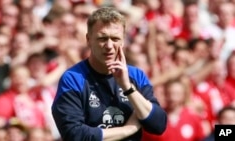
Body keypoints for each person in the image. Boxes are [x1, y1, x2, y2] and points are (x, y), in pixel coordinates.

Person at [51, 7, 167, 141]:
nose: (109, 45)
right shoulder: (73, 78)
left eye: (115, 38)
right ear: (88, 39)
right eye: (102, 38)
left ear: (123, 41)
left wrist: (127, 88)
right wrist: (127, 130)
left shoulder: (136, 76)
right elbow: (75, 135)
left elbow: (158, 125)